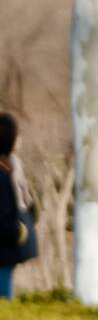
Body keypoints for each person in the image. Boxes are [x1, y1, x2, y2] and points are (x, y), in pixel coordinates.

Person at [0, 113, 34, 299]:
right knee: (4, 293)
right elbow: (7, 209)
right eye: (16, 134)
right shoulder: (5, 171)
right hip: (4, 245)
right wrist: (15, 232)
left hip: (6, 243)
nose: (19, 139)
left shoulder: (11, 166)